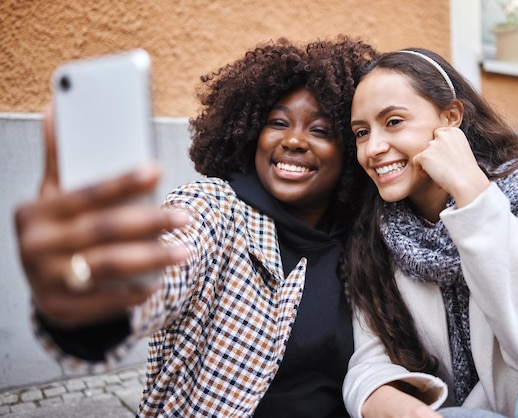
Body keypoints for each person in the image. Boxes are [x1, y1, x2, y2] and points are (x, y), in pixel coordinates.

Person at [15, 36, 379, 417]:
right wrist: (89, 295)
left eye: (320, 130)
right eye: (277, 122)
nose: (293, 140)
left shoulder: (362, 239)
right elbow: (165, 271)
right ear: (252, 130)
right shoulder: (213, 207)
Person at [341, 47, 518, 418]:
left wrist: (472, 195)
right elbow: (371, 361)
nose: (374, 148)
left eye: (394, 122)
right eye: (362, 132)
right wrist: (379, 397)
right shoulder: (377, 236)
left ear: (451, 118)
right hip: (473, 410)